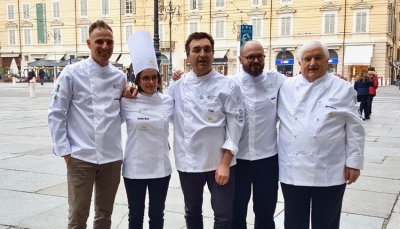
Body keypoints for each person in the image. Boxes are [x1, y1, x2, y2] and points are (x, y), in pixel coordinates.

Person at [277, 40, 365, 229]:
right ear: (299, 63)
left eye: (318, 58)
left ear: (327, 61)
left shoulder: (343, 88)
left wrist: (354, 163)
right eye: (307, 59)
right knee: (293, 222)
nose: (312, 63)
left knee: (326, 223)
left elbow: (355, 128)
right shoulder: (286, 87)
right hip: (293, 170)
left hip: (329, 169)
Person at [48, 20, 127, 228]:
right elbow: (56, 112)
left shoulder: (120, 77)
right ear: (88, 43)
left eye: (109, 42)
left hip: (111, 157)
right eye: (99, 41)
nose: (104, 46)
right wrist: (66, 152)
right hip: (81, 155)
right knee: (77, 215)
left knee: (104, 214)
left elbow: (121, 115)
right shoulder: (72, 73)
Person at [166, 32, 244, 229]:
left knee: (224, 216)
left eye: (207, 49)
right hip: (188, 163)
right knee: (192, 212)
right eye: (196, 50)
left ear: (213, 53)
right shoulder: (178, 85)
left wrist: (225, 162)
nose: (202, 54)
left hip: (219, 163)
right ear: (188, 56)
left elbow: (236, 125)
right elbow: (158, 109)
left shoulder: (228, 85)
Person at [121, 30, 173, 229]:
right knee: (135, 216)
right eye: (146, 78)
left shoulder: (168, 101)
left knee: (157, 215)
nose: (151, 82)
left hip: (161, 168)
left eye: (154, 77)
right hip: (134, 169)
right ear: (137, 79)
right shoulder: (126, 101)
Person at [230, 41, 285, 229]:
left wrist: (335, 79)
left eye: (259, 56)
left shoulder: (277, 80)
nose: (255, 60)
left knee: (265, 211)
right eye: (250, 57)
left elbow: (303, 86)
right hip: (238, 160)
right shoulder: (231, 83)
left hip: (267, 159)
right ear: (241, 59)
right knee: (236, 211)